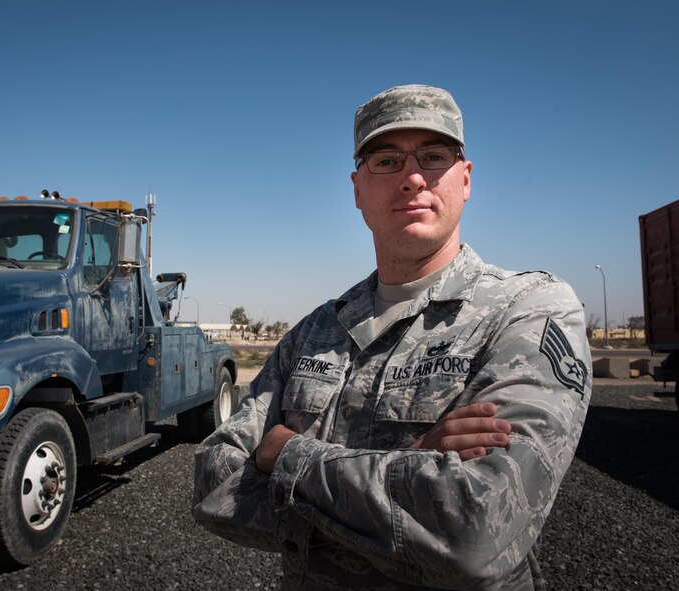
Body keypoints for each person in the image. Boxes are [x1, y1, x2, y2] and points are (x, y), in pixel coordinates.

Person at [191, 84, 592, 590]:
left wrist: (285, 455)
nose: (413, 177)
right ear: (357, 189)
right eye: (386, 160)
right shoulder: (315, 331)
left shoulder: (529, 310)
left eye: (434, 155)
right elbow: (212, 477)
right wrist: (410, 469)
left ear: (465, 180)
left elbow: (478, 529)